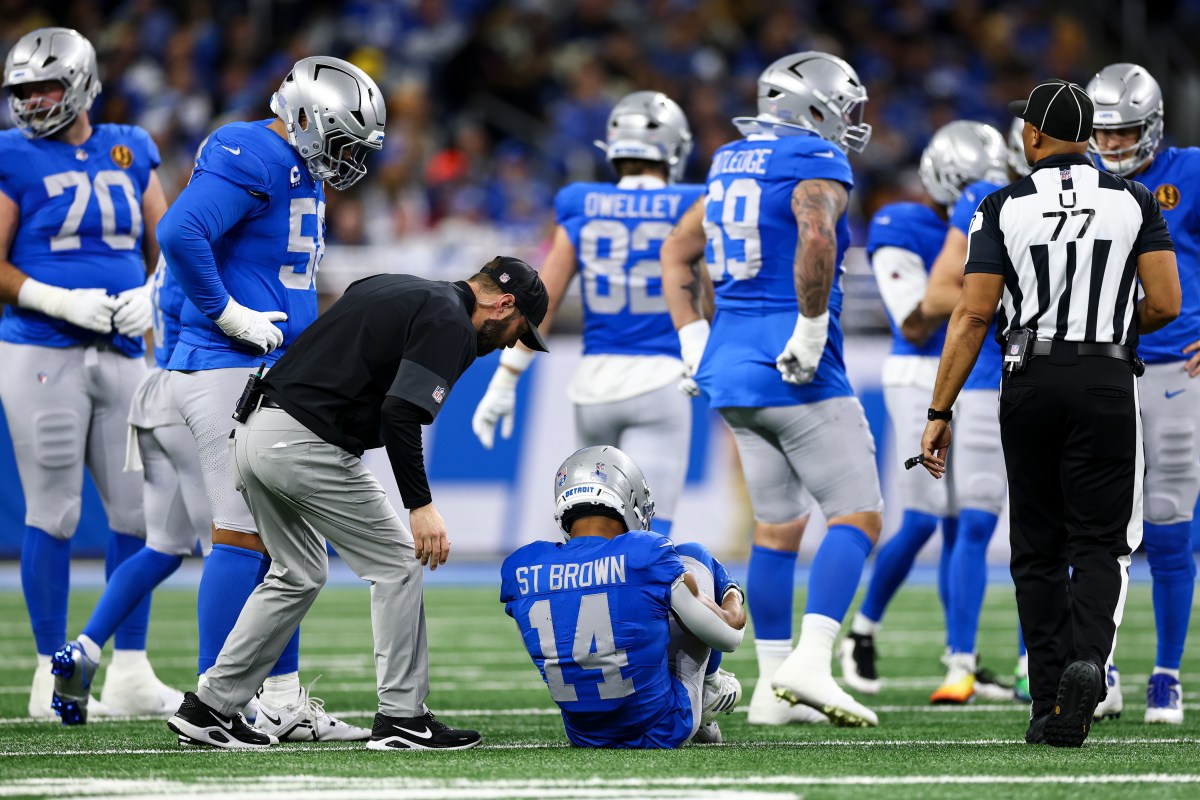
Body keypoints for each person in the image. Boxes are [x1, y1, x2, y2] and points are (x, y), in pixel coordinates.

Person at [166, 256, 549, 750]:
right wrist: (420, 505)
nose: (512, 342)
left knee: (298, 573)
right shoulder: (451, 319)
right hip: (302, 440)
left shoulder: (394, 285)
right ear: (505, 304)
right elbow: (400, 412)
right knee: (398, 564)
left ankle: (210, 707)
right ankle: (403, 718)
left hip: (253, 429)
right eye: (519, 329)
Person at [919, 79, 1180, 747]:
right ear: (1088, 137)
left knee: (1036, 548)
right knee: (1102, 541)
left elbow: (972, 314)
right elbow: (1166, 302)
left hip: (1028, 377)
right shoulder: (1134, 199)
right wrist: (1113, 330)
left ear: (1032, 135)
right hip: (1105, 377)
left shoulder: (1000, 205)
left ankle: (1047, 703)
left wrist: (940, 409)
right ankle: (1089, 661)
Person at [156, 55, 387, 742]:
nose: (348, 158)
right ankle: (214, 703)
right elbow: (178, 232)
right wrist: (228, 314)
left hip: (266, 370)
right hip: (224, 362)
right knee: (242, 532)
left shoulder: (299, 165)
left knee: (287, 546)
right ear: (308, 118)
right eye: (342, 139)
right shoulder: (249, 148)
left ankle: (281, 701)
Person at [661, 51, 882, 727]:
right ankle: (810, 664)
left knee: (779, 527)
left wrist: (694, 339)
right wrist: (811, 328)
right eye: (841, 107)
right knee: (858, 516)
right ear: (811, 108)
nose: (849, 121)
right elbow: (816, 234)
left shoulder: (729, 160)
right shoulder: (812, 159)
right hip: (792, 361)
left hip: (730, 367)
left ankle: (770, 692)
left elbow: (676, 251)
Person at [0, 26, 173, 721]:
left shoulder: (129, 146)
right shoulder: (12, 153)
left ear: (80, 83)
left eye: (46, 87)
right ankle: (50, 673)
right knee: (55, 511)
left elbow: (173, 243)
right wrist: (56, 298)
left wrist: (152, 295)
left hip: (125, 352)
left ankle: (129, 668)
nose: (34, 101)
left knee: (139, 514)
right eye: (24, 91)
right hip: (44, 352)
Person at [845, 118, 1031, 705]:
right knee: (927, 518)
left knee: (963, 520)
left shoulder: (992, 208)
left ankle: (963, 656)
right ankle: (863, 630)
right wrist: (995, 294)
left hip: (974, 369)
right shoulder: (902, 222)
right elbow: (914, 318)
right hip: (922, 372)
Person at [472, 91, 703, 537]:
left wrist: (506, 378)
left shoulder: (583, 202)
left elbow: (543, 299)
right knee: (650, 538)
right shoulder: (693, 203)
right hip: (661, 379)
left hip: (593, 387)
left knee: (594, 531)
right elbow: (709, 293)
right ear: (674, 148)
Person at [501, 445, 746, 747]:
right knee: (693, 555)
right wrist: (731, 589)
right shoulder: (645, 552)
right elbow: (729, 637)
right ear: (630, 500)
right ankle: (710, 688)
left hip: (585, 735)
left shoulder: (522, 566)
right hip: (665, 727)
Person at [1087, 63, 1198, 725]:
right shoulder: (1078, 181)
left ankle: (1167, 675)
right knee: (1100, 526)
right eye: (1103, 131)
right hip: (1101, 367)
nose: (1112, 143)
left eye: (1124, 131)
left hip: (1175, 369)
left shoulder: (1189, 172)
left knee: (1169, 523)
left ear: (1152, 126)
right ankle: (1100, 666)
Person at [51, 263, 208, 724]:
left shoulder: (179, 240)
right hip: (200, 392)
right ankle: (222, 693)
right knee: (233, 549)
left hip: (155, 389)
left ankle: (85, 647)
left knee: (162, 548)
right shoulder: (216, 232)